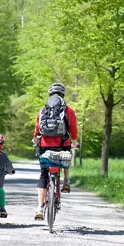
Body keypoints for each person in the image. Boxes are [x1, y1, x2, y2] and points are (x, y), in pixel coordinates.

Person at [33, 82, 78, 220]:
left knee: (43, 175)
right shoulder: (68, 111)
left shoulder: (42, 110)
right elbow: (73, 128)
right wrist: (74, 142)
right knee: (65, 158)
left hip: (44, 144)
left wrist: (35, 139)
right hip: (62, 143)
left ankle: (40, 207)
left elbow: (37, 128)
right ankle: (66, 182)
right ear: (63, 95)